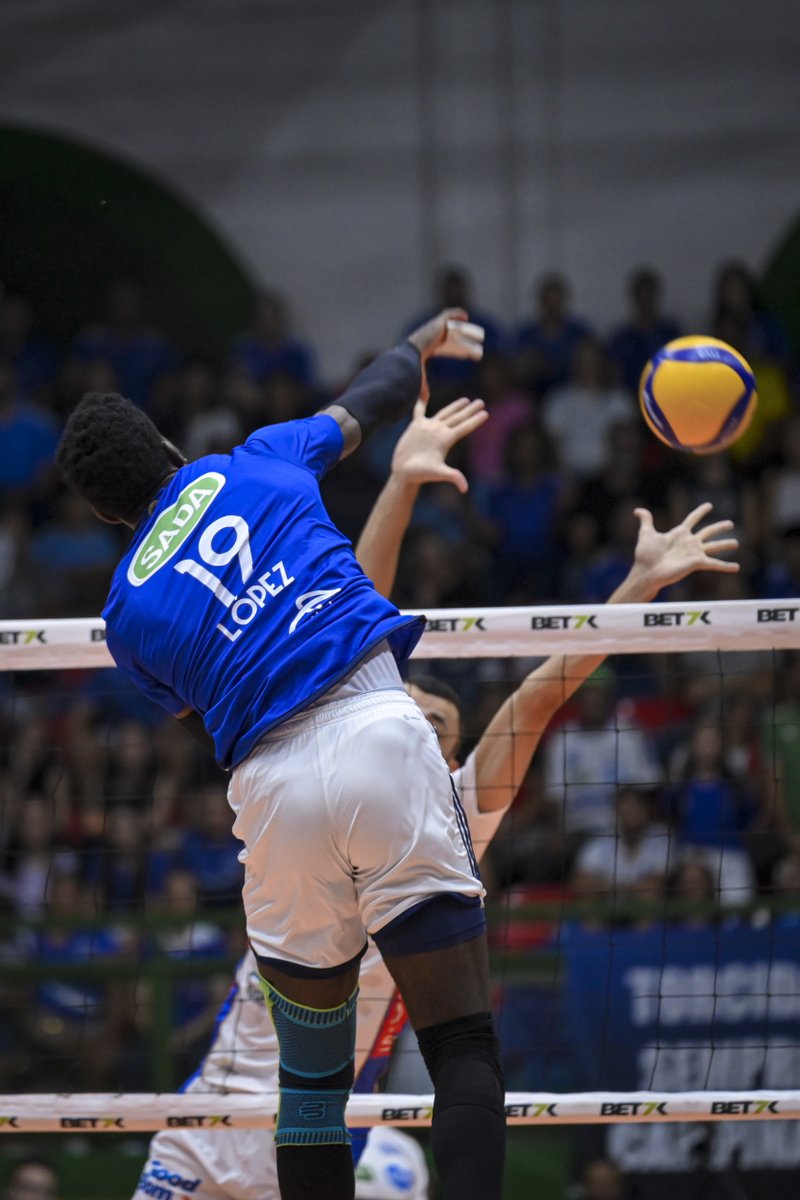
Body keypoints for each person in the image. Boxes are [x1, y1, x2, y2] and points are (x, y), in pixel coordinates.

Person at [130, 400, 738, 1200]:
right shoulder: (340, 740)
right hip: (210, 1127)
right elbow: (345, 599)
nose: (415, 715)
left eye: (437, 721)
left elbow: (540, 694)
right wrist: (403, 479)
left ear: (446, 748)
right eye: (409, 702)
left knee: (435, 1065)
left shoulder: (453, 806)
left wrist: (638, 583)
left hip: (329, 1128)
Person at [57, 308, 504, 1200]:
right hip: (375, 728)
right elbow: (363, 405)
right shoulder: (256, 458)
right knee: (459, 1043)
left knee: (307, 1093)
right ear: (170, 443)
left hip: (271, 789)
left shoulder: (127, 617)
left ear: (106, 510)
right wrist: (416, 347)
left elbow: (212, 724)